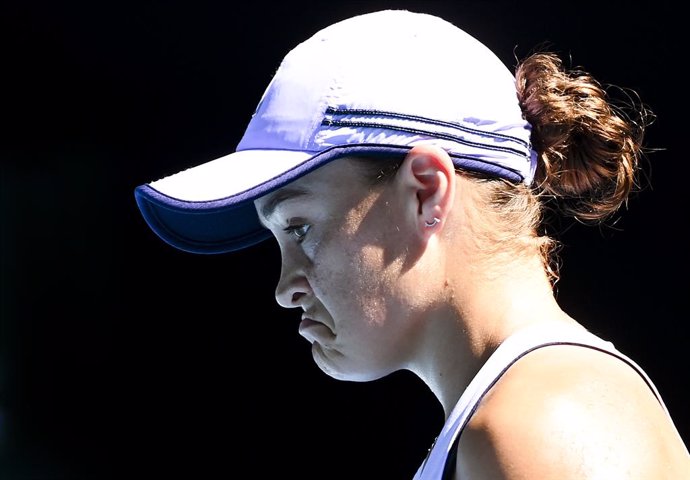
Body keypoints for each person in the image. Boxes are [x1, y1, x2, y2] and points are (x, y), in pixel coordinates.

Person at [133, 9, 690, 479]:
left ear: (426, 192)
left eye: (300, 228)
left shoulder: (550, 422)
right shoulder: (530, 412)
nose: (284, 290)